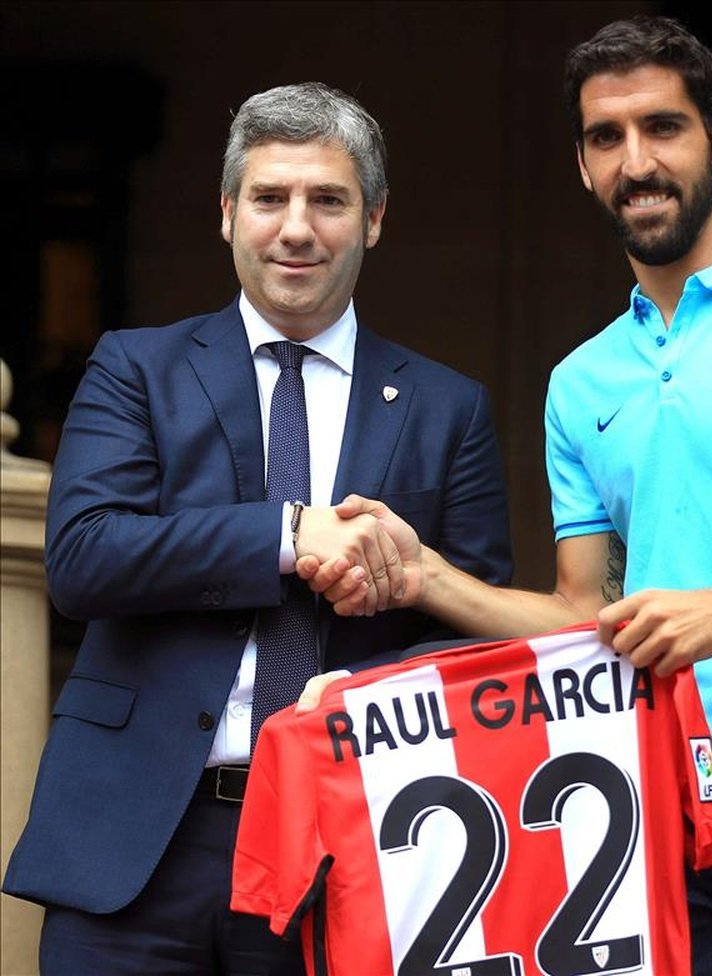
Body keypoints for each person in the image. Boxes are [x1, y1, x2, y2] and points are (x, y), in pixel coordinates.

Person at [298, 16, 712, 974]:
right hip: (668, 829)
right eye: (607, 139)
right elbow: (584, 615)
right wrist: (426, 577)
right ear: (582, 166)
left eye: (663, 127)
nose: (637, 161)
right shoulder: (581, 381)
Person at [2, 81, 513, 974]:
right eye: (270, 198)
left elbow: (473, 628)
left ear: (376, 219)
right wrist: (289, 533)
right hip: (138, 845)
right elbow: (83, 558)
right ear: (229, 212)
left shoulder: (447, 406)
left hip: (344, 837)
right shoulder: (136, 366)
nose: (296, 228)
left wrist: (364, 690)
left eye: (329, 200)